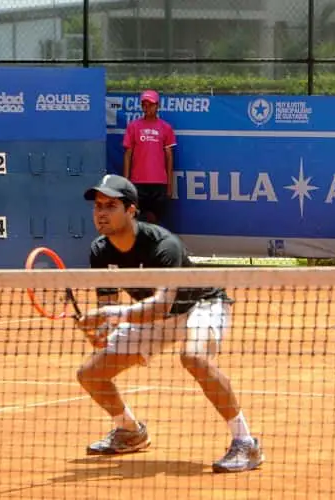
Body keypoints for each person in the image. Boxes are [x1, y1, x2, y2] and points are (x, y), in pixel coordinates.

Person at [74, 174, 264, 474]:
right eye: (97, 206)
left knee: (194, 357)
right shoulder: (100, 250)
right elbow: (108, 307)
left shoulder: (164, 245)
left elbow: (161, 306)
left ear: (131, 210)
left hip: (199, 305)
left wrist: (114, 317)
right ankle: (130, 431)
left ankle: (246, 442)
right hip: (151, 316)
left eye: (110, 205)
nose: (101, 213)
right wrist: (100, 331)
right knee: (90, 374)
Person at [122, 89, 176, 225]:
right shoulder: (133, 127)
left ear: (157, 106)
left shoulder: (166, 128)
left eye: (150, 104)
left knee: (156, 220)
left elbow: (169, 157)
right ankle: (140, 245)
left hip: (159, 183)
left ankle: (154, 245)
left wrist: (169, 184)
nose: (147, 108)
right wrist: (126, 182)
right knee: (137, 220)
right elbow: (128, 154)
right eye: (144, 105)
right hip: (138, 182)